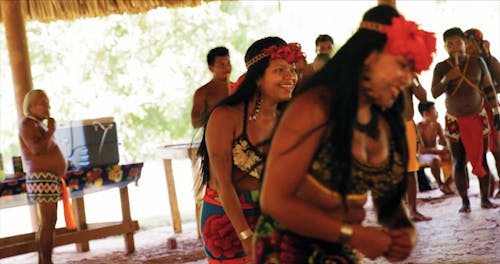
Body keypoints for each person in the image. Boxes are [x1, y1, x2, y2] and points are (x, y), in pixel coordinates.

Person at [255, 5, 436, 263]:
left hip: (340, 249)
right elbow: (273, 201)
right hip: (286, 251)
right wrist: (356, 236)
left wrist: (404, 233)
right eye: (401, 65)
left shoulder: (384, 121)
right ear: (370, 57)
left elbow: (389, 206)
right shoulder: (315, 107)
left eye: (412, 71)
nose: (407, 79)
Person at [196, 37, 304, 263]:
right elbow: (223, 182)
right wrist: (245, 236)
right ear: (257, 78)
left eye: (292, 69)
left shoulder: (288, 117)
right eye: (280, 70)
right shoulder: (225, 116)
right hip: (226, 218)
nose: (290, 76)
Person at [431, 27, 499, 213]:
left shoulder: (477, 62)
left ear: (464, 43)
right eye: (450, 44)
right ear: (445, 47)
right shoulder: (441, 67)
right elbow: (434, 93)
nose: (454, 47)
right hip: (454, 120)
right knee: (458, 161)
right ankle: (465, 202)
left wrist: (496, 111)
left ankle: (485, 199)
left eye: (458, 42)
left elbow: (488, 88)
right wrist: (446, 79)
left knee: (482, 159)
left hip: (479, 117)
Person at [19, 89, 68, 264]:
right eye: (42, 102)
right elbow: (37, 149)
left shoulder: (38, 124)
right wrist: (51, 131)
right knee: (48, 223)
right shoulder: (27, 124)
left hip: (48, 178)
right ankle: (46, 261)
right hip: (41, 179)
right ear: (30, 106)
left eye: (47, 102)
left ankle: (44, 261)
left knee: (47, 224)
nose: (47, 106)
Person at [464, 28, 500, 199]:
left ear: (477, 42)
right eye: (466, 42)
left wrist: (487, 90)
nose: (468, 45)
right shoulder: (463, 63)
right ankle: (486, 189)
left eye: (470, 41)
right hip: (472, 110)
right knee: (477, 152)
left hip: (489, 107)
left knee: (497, 149)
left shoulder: (489, 60)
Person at [403, 76, 432, 221]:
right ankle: (398, 213)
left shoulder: (409, 73)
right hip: (385, 127)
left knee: (410, 169)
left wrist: (412, 79)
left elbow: (423, 97)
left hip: (407, 125)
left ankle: (413, 211)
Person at [417, 101, 454, 195]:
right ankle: (440, 184)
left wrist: (446, 147)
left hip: (435, 153)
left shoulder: (437, 125)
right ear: (426, 114)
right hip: (423, 155)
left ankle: (449, 183)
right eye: (434, 110)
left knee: (455, 157)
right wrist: (436, 150)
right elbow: (420, 150)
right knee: (435, 160)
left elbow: (444, 142)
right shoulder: (419, 127)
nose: (437, 112)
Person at [191, 46, 232, 128]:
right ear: (211, 68)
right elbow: (195, 123)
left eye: (228, 63)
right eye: (222, 64)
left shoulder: (237, 87)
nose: (227, 68)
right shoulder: (203, 92)